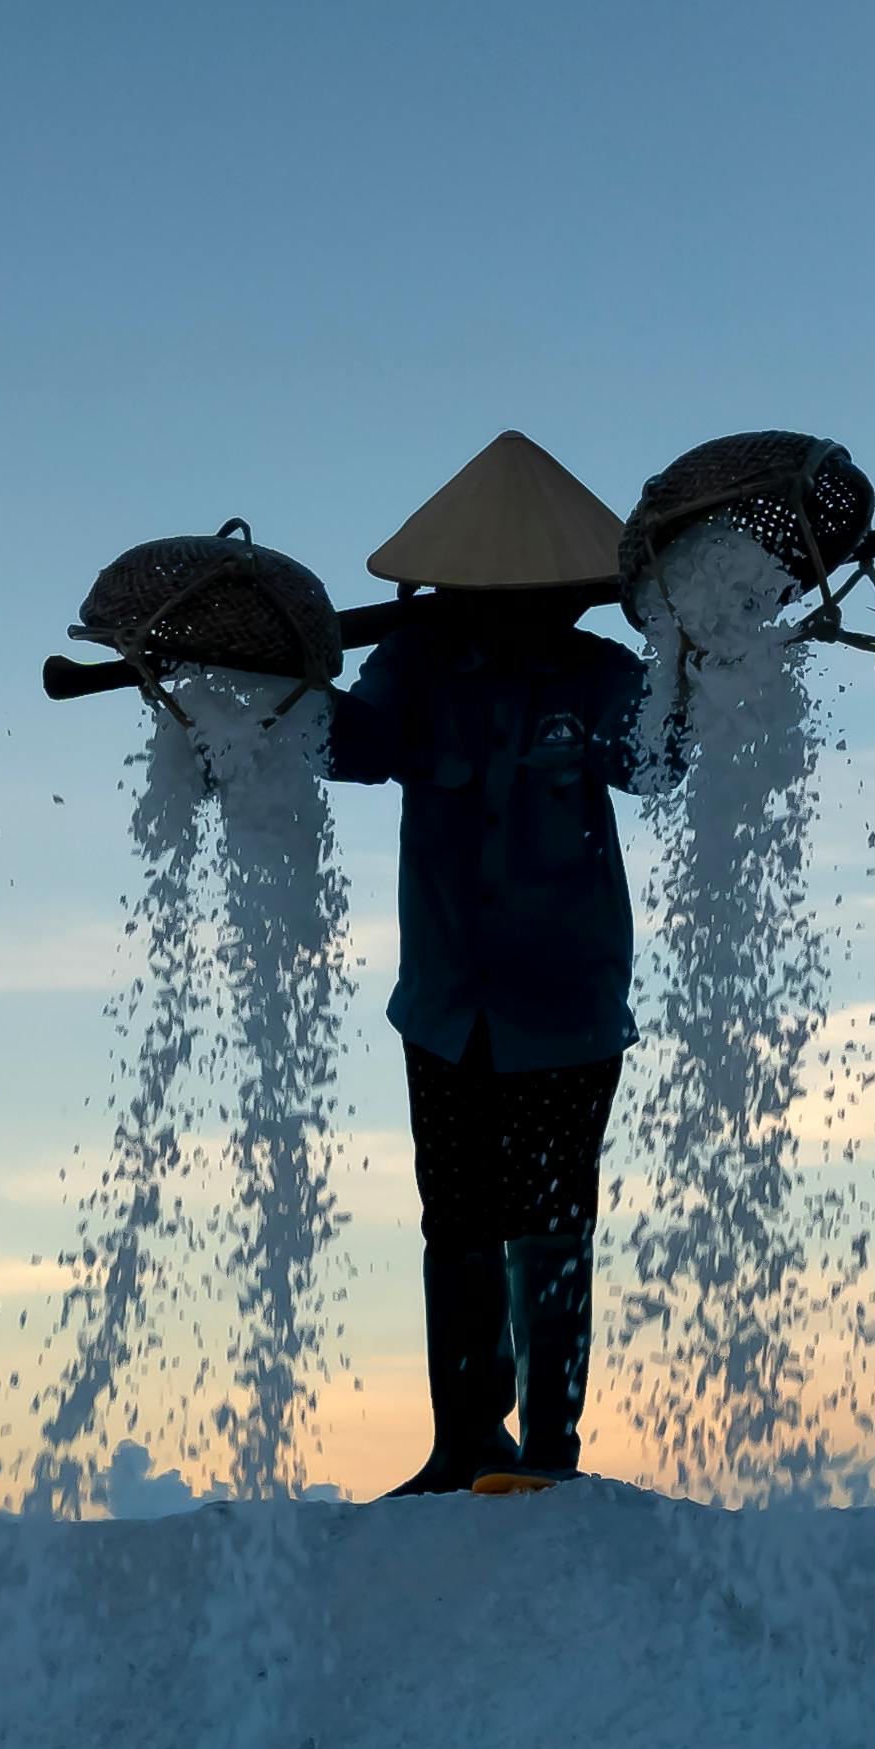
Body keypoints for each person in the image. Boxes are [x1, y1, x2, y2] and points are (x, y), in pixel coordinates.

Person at [326, 431, 675, 1494]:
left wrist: (702, 668)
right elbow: (355, 746)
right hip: (444, 1004)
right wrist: (269, 686)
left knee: (551, 1220)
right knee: (459, 1219)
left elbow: (654, 759)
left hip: (564, 1008)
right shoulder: (413, 665)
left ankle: (551, 1453)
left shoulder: (604, 673)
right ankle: (465, 1441)